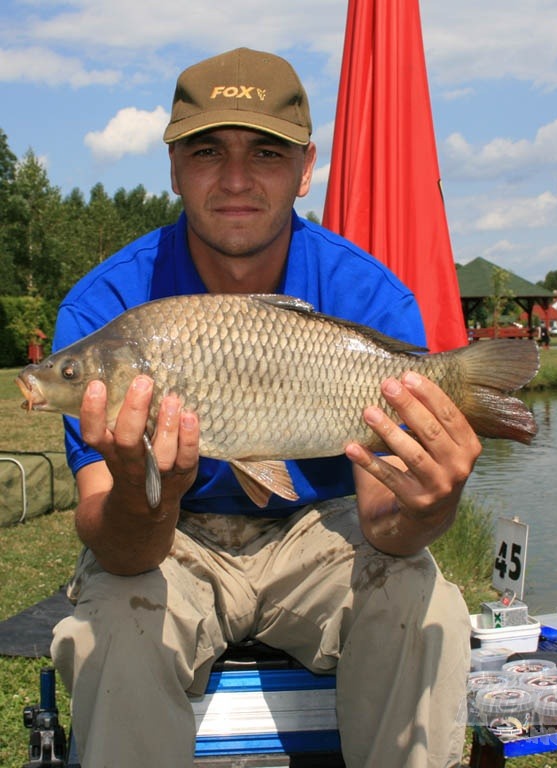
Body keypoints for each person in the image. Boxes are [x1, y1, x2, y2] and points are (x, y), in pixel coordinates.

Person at [51, 47, 481, 768]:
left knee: (423, 602)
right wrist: (146, 492)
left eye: (267, 153)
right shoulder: (109, 312)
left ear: (306, 167)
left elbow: (384, 522)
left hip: (324, 529)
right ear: (174, 167)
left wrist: (433, 506)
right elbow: (120, 548)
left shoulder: (372, 298)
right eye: (208, 151)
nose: (237, 179)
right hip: (175, 540)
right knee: (112, 629)